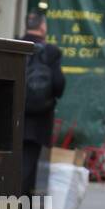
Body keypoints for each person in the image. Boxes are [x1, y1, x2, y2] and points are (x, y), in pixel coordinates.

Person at [22, 10, 64, 198]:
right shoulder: (51, 52)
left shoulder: (15, 45)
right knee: (29, 166)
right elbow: (58, 84)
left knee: (16, 162)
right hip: (39, 119)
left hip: (16, 115)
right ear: (42, 26)